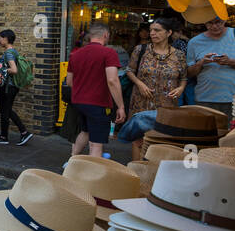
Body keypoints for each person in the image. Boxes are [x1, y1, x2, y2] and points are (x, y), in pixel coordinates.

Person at [120, 16, 187, 162]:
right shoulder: (141, 50)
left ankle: (155, 173)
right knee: (138, 139)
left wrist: (181, 88)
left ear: (169, 33)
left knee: (162, 139)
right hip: (141, 101)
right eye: (151, 30)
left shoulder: (179, 55)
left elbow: (183, 78)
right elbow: (129, 70)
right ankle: (138, 171)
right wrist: (140, 84)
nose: (152, 33)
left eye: (157, 30)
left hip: (167, 104)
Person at [66, 22, 125, 157]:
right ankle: (93, 175)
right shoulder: (109, 53)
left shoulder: (75, 54)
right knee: (96, 143)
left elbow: (69, 81)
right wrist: (121, 106)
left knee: (85, 131)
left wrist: (84, 88)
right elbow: (112, 80)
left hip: (79, 102)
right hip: (98, 103)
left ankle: (72, 160)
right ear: (105, 35)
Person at [185, 15, 235, 118]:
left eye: (218, 22)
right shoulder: (194, 42)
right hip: (205, 99)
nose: (214, 26)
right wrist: (201, 63)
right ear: (204, 22)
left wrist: (230, 62)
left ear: (225, 19)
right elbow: (189, 73)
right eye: (210, 23)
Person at [0, 29, 33, 146]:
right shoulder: (13, 51)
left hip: (8, 86)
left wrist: (0, 70)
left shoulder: (9, 53)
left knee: (6, 110)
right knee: (5, 110)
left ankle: (24, 132)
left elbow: (14, 69)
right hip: (11, 86)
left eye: (0, 38)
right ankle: (4, 136)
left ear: (6, 39)